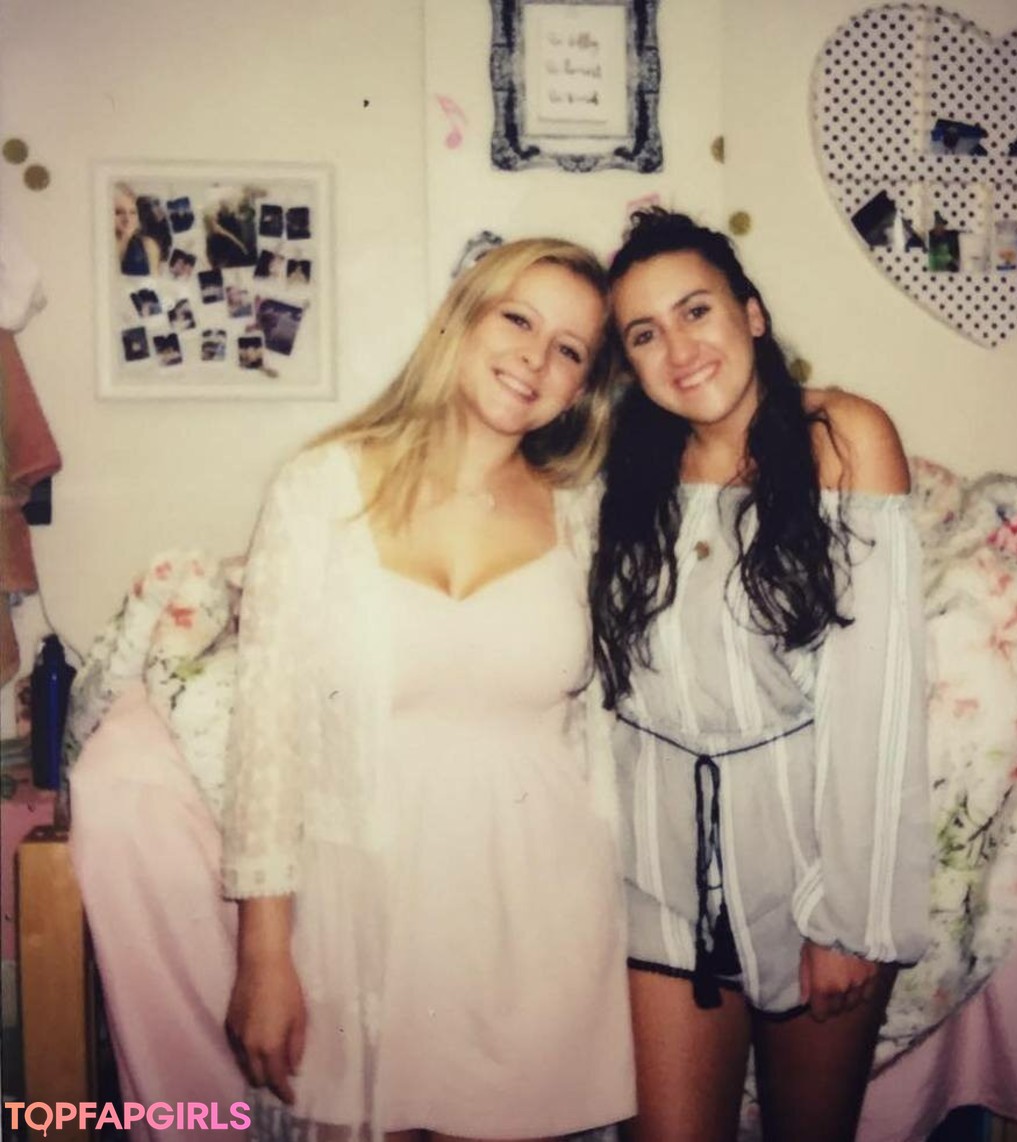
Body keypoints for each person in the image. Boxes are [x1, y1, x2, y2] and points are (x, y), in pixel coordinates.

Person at [222, 237, 636, 1142]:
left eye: (569, 349)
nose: (535, 357)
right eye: (518, 319)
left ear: (582, 387)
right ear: (462, 318)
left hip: (542, 920)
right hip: (364, 914)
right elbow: (267, 728)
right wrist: (263, 949)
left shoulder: (586, 516)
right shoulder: (319, 487)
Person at [588, 209, 930, 1142]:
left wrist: (849, 921)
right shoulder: (625, 472)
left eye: (696, 311)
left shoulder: (842, 436)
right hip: (658, 876)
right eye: (644, 334)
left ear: (752, 313)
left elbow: (879, 701)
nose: (679, 350)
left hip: (808, 870)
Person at [114, 182, 161, 276]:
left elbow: (155, 282)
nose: (127, 219)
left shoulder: (148, 246)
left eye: (132, 212)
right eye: (119, 212)